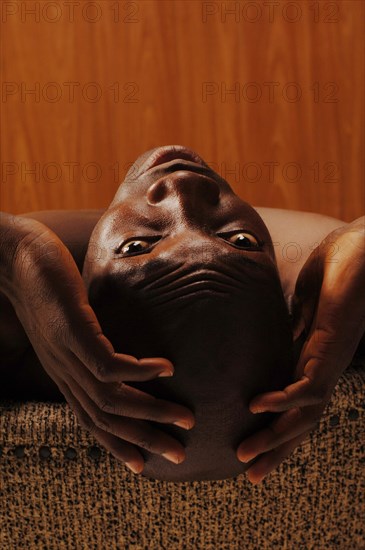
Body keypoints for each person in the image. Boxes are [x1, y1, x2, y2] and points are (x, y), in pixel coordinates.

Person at [1, 145, 364, 483]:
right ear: (294, 310)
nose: (182, 187)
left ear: (84, 311)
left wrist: (16, 251)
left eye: (135, 247)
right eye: (240, 241)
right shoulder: (330, 306)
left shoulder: (13, 331)